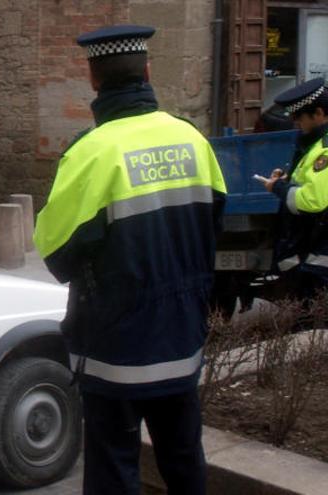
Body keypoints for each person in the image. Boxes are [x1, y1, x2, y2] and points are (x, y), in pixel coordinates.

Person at [33, 25, 227, 495]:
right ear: (147, 71)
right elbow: (214, 225)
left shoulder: (90, 153)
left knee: (113, 470)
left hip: (115, 351)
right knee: (184, 460)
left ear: (94, 81)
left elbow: (55, 251)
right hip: (182, 340)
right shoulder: (192, 140)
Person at [262, 78, 328, 298]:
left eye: (298, 116)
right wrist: (285, 180)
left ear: (318, 113)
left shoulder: (325, 150)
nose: (294, 121)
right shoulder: (314, 143)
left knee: (313, 323)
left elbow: (312, 201)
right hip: (312, 252)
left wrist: (278, 188)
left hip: (320, 257)